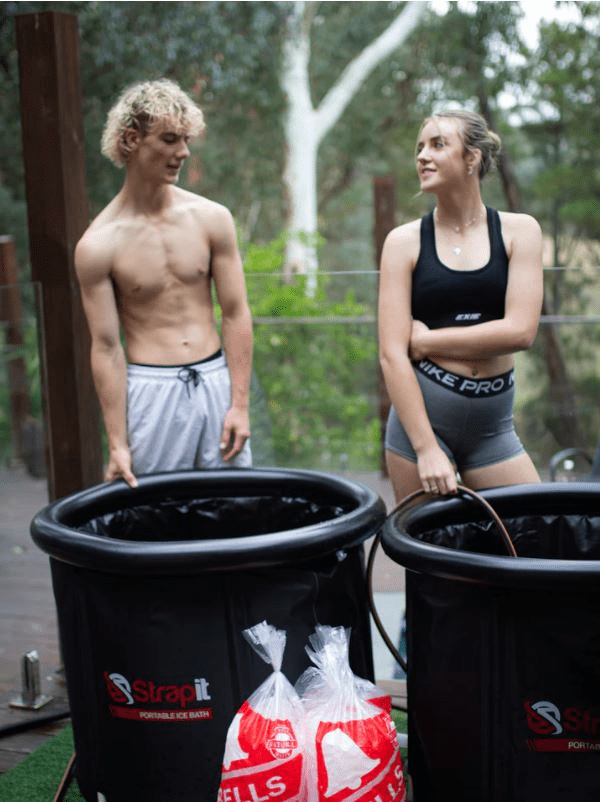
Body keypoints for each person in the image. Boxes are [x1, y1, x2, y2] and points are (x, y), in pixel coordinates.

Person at [75, 78, 253, 488]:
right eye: (170, 139)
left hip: (214, 381)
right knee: (156, 520)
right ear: (132, 139)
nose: (183, 152)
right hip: (151, 392)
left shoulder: (212, 218)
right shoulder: (99, 244)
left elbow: (236, 312)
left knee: (235, 510)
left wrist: (238, 404)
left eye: (186, 140)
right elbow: (105, 347)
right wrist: (117, 442)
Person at [378, 110, 543, 501]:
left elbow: (520, 332)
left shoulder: (521, 231)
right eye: (419, 147)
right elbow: (391, 355)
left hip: (494, 432)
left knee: (539, 535)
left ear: (472, 158)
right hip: (421, 428)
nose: (422, 155)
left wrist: (427, 342)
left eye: (437, 144)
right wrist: (426, 449)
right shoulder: (403, 242)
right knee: (431, 557)